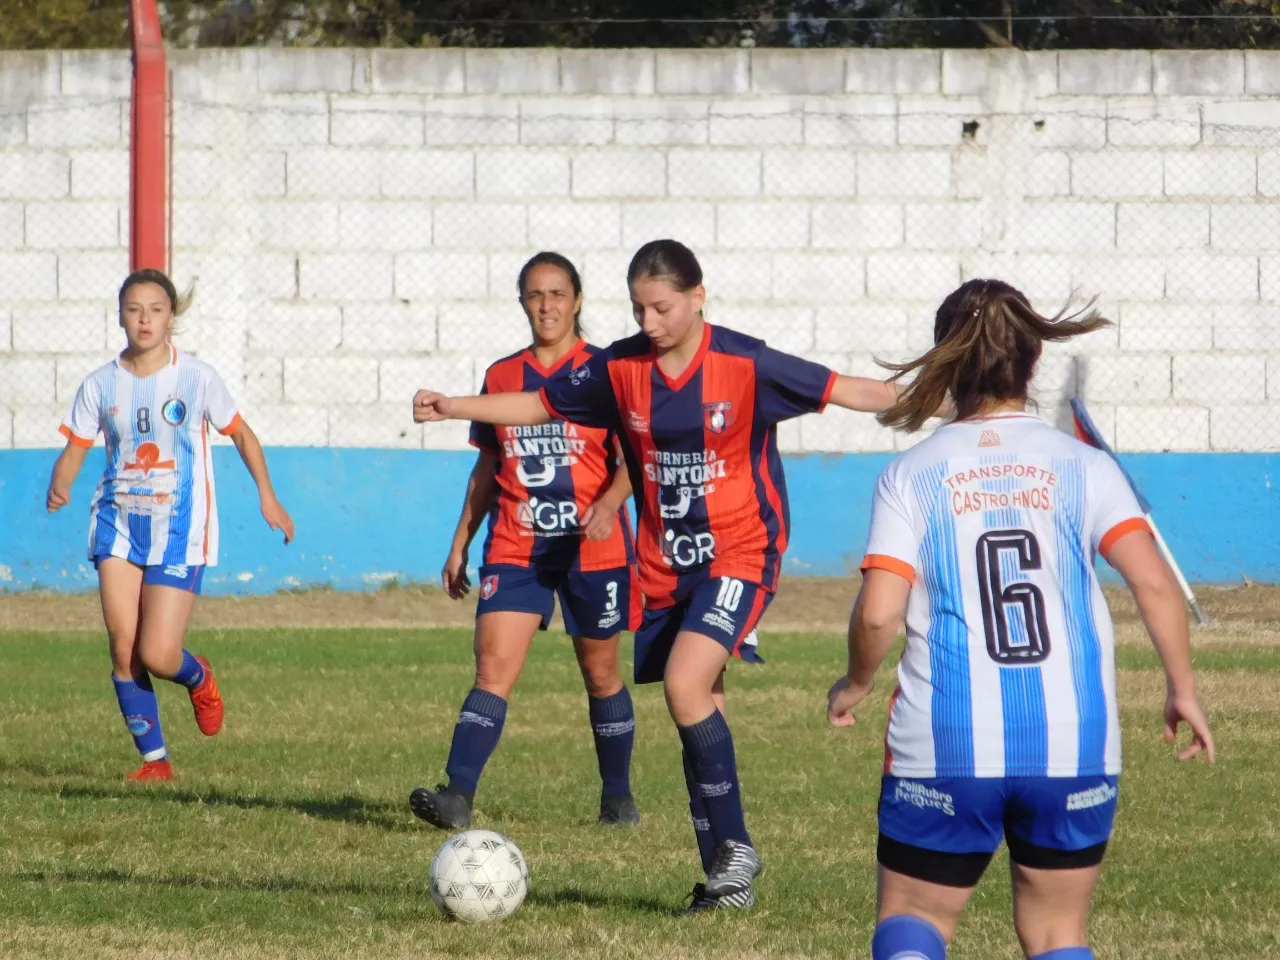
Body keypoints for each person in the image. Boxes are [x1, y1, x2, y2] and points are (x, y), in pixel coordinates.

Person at [413, 239, 906, 912]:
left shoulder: (743, 362)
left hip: (740, 550)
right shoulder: (620, 368)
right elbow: (540, 406)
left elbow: (850, 390)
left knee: (682, 683)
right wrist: (454, 406)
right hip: (667, 567)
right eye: (640, 308)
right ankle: (725, 881)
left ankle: (736, 848)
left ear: (697, 298)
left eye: (663, 308)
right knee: (697, 710)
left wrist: (948, 399)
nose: (649, 323)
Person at [825, 278, 1215, 960]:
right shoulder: (1085, 466)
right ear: (1032, 363)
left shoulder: (911, 473)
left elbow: (881, 612)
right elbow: (1153, 581)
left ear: (944, 363)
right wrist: (1181, 688)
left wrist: (855, 682)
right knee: (1057, 932)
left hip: (946, 743)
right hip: (1072, 742)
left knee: (915, 917)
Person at [408, 252, 643, 830]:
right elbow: (488, 468)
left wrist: (610, 505)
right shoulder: (502, 377)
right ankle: (457, 796)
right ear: (522, 303)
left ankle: (616, 798)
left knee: (601, 673)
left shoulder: (607, 373)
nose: (547, 306)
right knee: (493, 668)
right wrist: (461, 540)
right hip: (517, 542)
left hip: (595, 545)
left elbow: (638, 459)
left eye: (558, 294)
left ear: (578, 300)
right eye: (535, 295)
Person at [46, 268, 294, 782]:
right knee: (122, 646)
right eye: (134, 309)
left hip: (180, 529)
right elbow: (77, 446)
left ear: (170, 318)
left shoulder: (197, 378)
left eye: (155, 310)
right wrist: (60, 484)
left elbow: (242, 435)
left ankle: (199, 676)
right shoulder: (99, 384)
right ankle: (155, 762)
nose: (144, 319)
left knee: (157, 653)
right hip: (116, 523)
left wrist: (267, 497)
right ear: (120, 315)